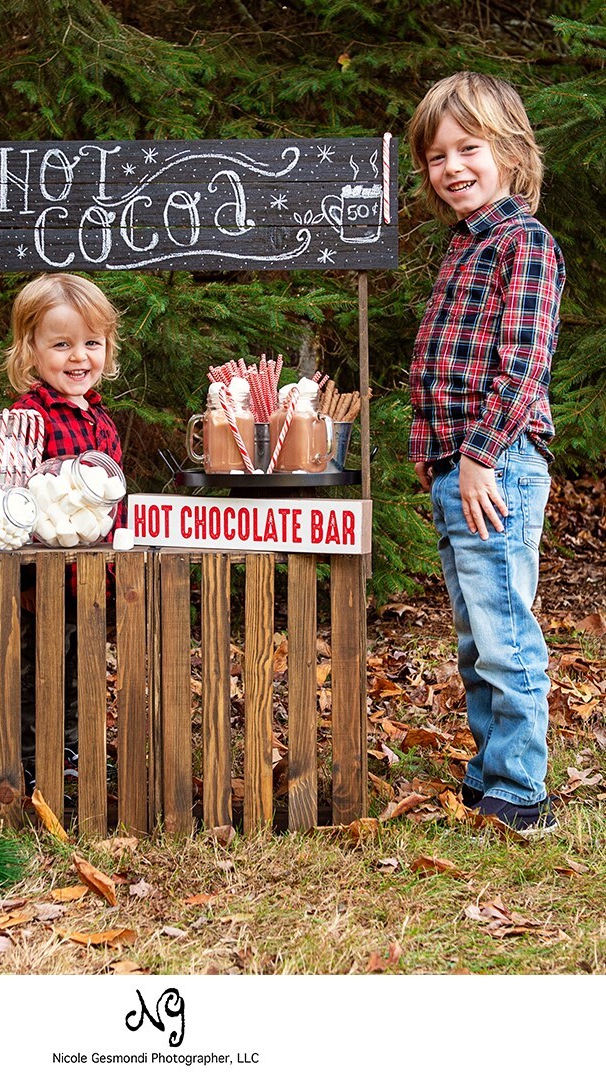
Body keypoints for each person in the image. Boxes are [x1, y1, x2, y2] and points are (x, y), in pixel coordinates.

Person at [406, 72, 565, 836]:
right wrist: (435, 461)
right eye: (438, 156)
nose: (452, 167)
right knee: (476, 631)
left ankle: (522, 789)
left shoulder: (523, 244)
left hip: (494, 464)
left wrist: (476, 457)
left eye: (468, 148)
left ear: (508, 151)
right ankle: (491, 768)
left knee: (504, 628)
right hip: (458, 466)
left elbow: (522, 363)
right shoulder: (465, 246)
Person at [3, 272, 123, 796]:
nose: (79, 357)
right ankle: (32, 757)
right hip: (44, 578)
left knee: (82, 664)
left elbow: (111, 499)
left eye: (91, 343)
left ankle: (72, 749)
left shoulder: (100, 419)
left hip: (94, 575)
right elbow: (12, 503)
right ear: (31, 351)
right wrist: (26, 576)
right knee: (39, 667)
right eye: (62, 344)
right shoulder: (26, 419)